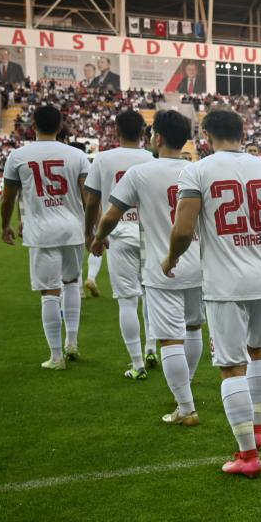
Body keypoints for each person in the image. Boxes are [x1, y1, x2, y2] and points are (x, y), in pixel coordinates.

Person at [164, 108, 261, 477]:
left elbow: (183, 230)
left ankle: (247, 455)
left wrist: (170, 259)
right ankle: (256, 429)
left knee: (231, 366)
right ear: (242, 133)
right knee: (258, 350)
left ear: (206, 135)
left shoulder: (196, 171)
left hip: (226, 283)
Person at [93, 110, 205, 425]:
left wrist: (98, 238)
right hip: (198, 263)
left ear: (157, 138)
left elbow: (111, 216)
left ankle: (186, 407)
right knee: (193, 328)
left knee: (170, 338)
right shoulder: (199, 171)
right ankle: (185, 385)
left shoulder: (140, 173)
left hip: (162, 266)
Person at [0, 105, 90, 370]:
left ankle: (56, 357)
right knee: (72, 283)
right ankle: (72, 342)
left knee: (49, 292)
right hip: (73, 229)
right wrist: (92, 229)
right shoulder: (77, 155)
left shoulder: (18, 156)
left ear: (33, 126)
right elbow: (88, 197)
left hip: (41, 231)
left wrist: (5, 225)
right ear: (61, 126)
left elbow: (7, 198)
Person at [83, 110, 155, 380]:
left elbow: (92, 201)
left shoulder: (103, 158)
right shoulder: (151, 158)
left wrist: (91, 233)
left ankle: (137, 364)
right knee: (151, 294)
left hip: (118, 233)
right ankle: (151, 348)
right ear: (143, 132)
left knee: (127, 300)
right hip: (148, 235)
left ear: (116, 130)